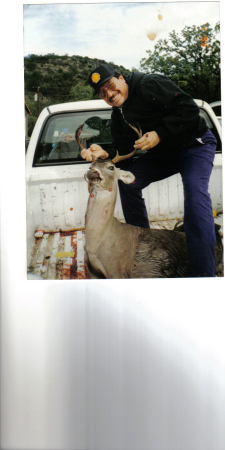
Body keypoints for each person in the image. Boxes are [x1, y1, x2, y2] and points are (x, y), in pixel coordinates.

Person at [81, 64, 217, 277]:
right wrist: (105, 152)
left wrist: (159, 134)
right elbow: (124, 148)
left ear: (121, 78)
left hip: (195, 145)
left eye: (110, 85)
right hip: (166, 154)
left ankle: (203, 275)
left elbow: (189, 109)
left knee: (195, 197)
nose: (109, 94)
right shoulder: (119, 113)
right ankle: (142, 248)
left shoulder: (148, 84)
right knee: (129, 185)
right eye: (102, 93)